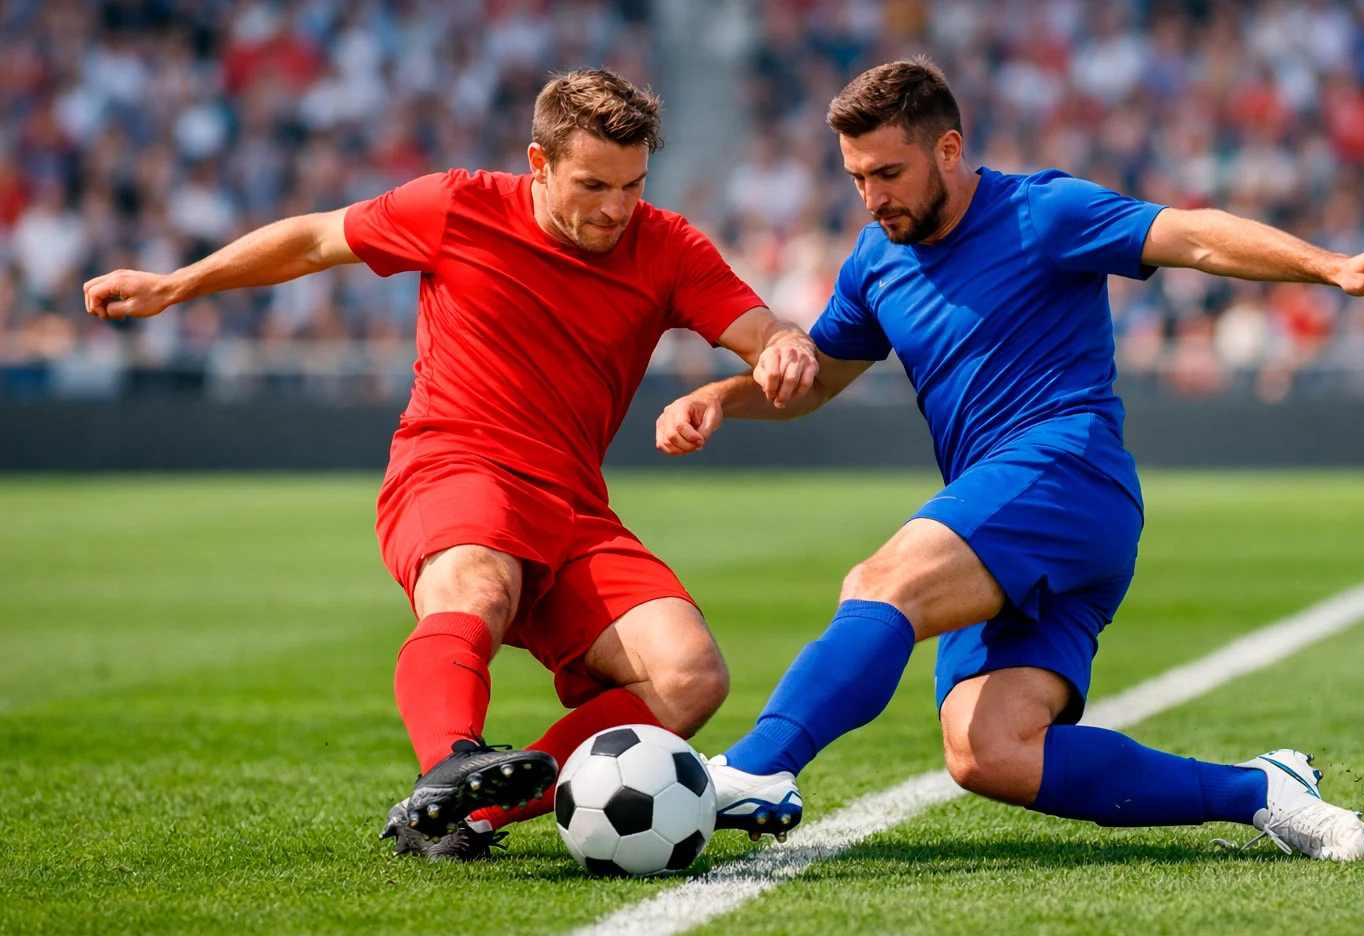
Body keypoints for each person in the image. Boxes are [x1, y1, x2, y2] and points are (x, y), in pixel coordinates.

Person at [657, 58, 1364, 860]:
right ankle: (1261, 791)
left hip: (1065, 473)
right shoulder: (875, 260)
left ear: (948, 150)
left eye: (888, 173)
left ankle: (757, 766)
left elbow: (1193, 235)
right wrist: (722, 397)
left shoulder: (1042, 212)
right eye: (857, 178)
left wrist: (1329, 266)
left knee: (882, 585)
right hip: (1006, 516)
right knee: (988, 752)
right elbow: (814, 379)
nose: (872, 196)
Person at [83, 69, 818, 861]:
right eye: (593, 185)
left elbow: (761, 330)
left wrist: (782, 347)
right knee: (479, 586)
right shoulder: (456, 206)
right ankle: (447, 762)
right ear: (538, 164)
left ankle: (465, 816)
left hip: (573, 505)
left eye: (633, 185)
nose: (616, 208)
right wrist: (176, 285)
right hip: (454, 467)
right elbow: (315, 240)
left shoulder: (667, 244)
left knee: (689, 675)